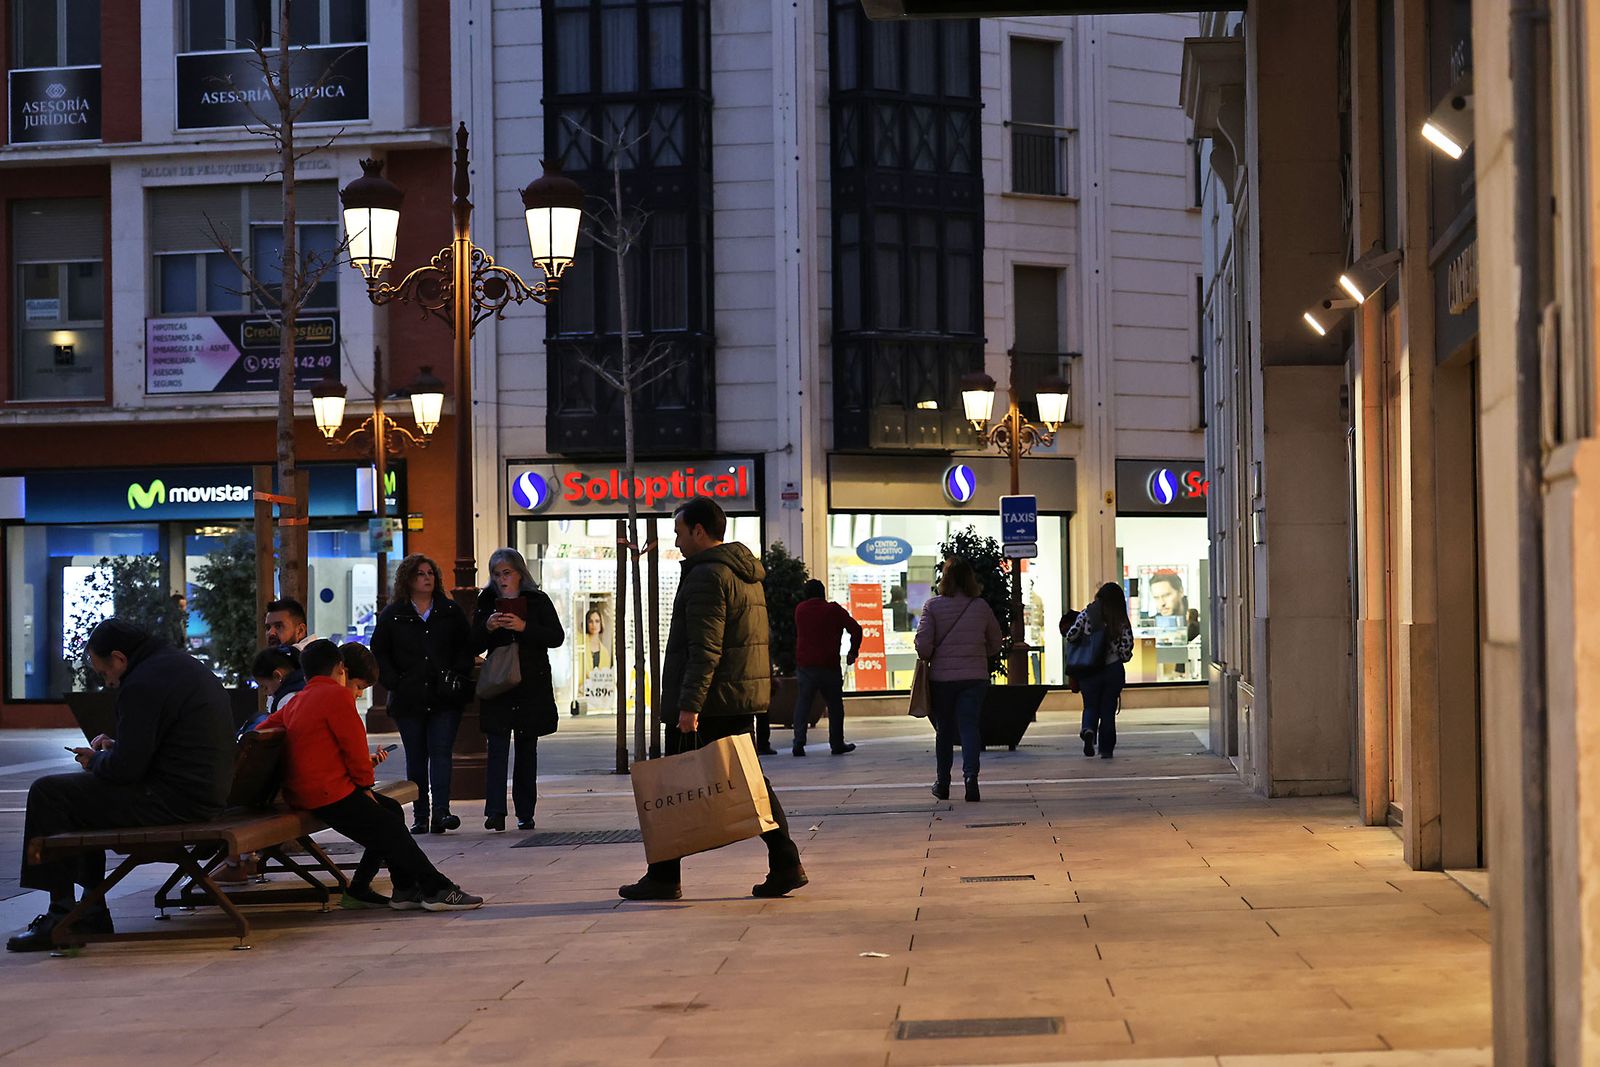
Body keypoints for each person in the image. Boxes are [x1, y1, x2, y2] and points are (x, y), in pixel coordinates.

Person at [617, 498, 807, 902]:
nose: (677, 541)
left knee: (673, 782)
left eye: (680, 533)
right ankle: (784, 861)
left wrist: (689, 705)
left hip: (712, 700)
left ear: (699, 531)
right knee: (750, 779)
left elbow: (705, 648)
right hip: (735, 696)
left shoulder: (707, 576)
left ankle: (665, 875)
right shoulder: (745, 573)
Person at [8, 619, 234, 952]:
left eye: (104, 673)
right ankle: (89, 910)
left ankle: (63, 913)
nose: (109, 682)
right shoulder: (180, 666)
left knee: (49, 792)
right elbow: (163, 746)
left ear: (119, 658)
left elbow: (126, 770)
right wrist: (116, 748)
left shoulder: (141, 683)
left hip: (173, 799)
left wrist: (95, 760)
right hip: (203, 793)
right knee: (82, 798)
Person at [256, 640, 482, 912]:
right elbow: (354, 750)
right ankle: (437, 888)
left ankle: (397, 889)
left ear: (305, 673)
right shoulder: (337, 697)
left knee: (390, 812)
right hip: (328, 793)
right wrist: (364, 789)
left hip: (307, 792)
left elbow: (259, 731)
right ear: (340, 668)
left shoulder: (298, 701)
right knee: (389, 827)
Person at [371, 553, 474, 835]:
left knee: (441, 752)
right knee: (416, 756)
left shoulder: (449, 611)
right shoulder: (394, 614)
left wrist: (457, 674)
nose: (426, 578)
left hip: (444, 696)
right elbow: (379, 651)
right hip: (409, 697)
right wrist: (395, 681)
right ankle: (420, 814)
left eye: (430, 573)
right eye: (420, 574)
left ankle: (442, 811)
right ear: (408, 579)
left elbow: (465, 647)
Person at [472, 548, 565, 832]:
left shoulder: (537, 600)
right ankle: (495, 811)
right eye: (497, 574)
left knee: (527, 748)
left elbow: (556, 636)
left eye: (507, 573)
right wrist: (488, 626)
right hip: (500, 683)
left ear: (519, 573)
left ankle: (526, 811)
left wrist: (524, 626)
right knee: (497, 747)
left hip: (530, 683)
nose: (502, 580)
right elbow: (471, 644)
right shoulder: (487, 601)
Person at [915, 558, 1003, 803]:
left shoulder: (932, 606)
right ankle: (970, 779)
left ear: (946, 579)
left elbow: (923, 646)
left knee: (944, 730)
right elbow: (996, 642)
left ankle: (943, 783)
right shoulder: (981, 606)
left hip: (942, 678)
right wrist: (975, 654)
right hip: (974, 677)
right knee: (969, 727)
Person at [791, 579, 863, 757]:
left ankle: (799, 742)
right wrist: (853, 651)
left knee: (803, 704)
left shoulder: (800, 610)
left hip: (806, 666)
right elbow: (856, 629)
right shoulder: (833, 610)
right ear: (823, 593)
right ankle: (836, 743)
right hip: (829, 665)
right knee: (835, 706)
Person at [1064, 582, 1135, 759]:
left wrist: (1087, 641)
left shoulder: (1087, 614)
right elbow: (1126, 649)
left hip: (1089, 669)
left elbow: (1071, 635)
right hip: (1112, 670)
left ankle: (1088, 729)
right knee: (1108, 710)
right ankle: (1106, 750)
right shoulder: (1120, 619)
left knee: (1090, 705)